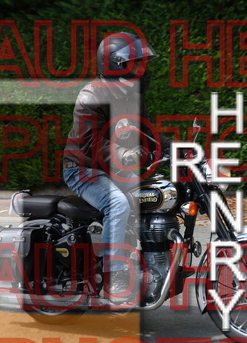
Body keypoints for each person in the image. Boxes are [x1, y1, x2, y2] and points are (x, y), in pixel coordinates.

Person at [62, 32, 171, 304]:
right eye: (137, 64)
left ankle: (145, 261)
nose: (143, 69)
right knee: (118, 204)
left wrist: (179, 149)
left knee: (156, 195)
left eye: (143, 63)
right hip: (83, 169)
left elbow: (148, 134)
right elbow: (92, 145)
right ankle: (114, 275)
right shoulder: (91, 96)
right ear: (117, 65)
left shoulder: (133, 96)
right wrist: (127, 154)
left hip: (116, 168)